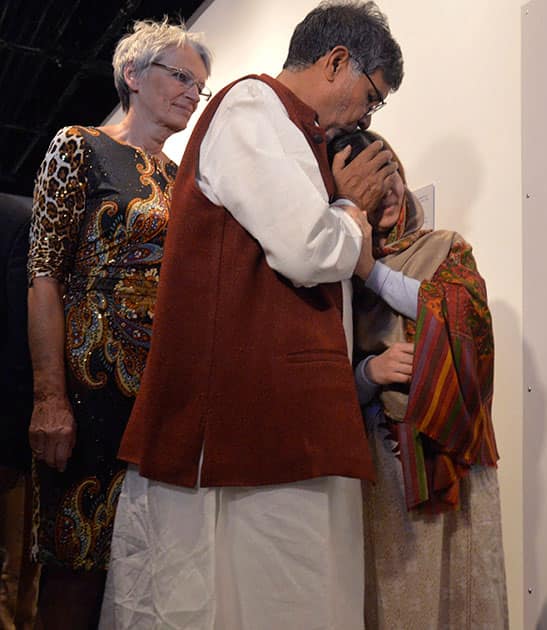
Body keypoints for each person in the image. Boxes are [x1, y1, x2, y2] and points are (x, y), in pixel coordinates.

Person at [99, 3, 403, 629]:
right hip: (255, 411)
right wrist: (350, 206)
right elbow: (307, 248)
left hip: (284, 409)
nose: (367, 116)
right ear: (337, 62)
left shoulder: (291, 129)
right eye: (371, 97)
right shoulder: (251, 107)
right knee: (265, 597)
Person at [24, 19, 211, 629]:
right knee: (77, 563)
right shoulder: (78, 145)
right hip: (88, 388)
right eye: (181, 76)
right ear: (133, 74)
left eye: (200, 87)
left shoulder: (188, 179)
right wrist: (50, 397)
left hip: (163, 394)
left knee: (151, 565)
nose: (192, 93)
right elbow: (44, 273)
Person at [334, 130, 509, 628]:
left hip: (451, 456)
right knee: (397, 602)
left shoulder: (445, 247)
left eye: (392, 173)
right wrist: (369, 372)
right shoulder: (332, 271)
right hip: (384, 468)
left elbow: (468, 320)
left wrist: (372, 271)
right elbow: (320, 379)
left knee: (461, 595)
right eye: (372, 179)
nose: (387, 189)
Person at [0, 194, 38, 630]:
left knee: (15, 574)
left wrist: (11, 447)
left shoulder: (16, 220)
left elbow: (21, 347)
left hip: (9, 435)